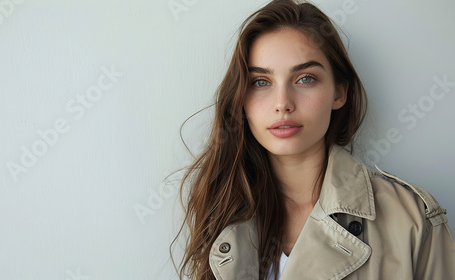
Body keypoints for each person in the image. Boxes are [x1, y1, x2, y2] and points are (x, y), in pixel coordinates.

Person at [172, 0, 455, 279]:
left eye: (305, 79)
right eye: (261, 82)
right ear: (241, 98)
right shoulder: (220, 207)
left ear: (339, 93)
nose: (282, 103)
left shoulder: (413, 218)